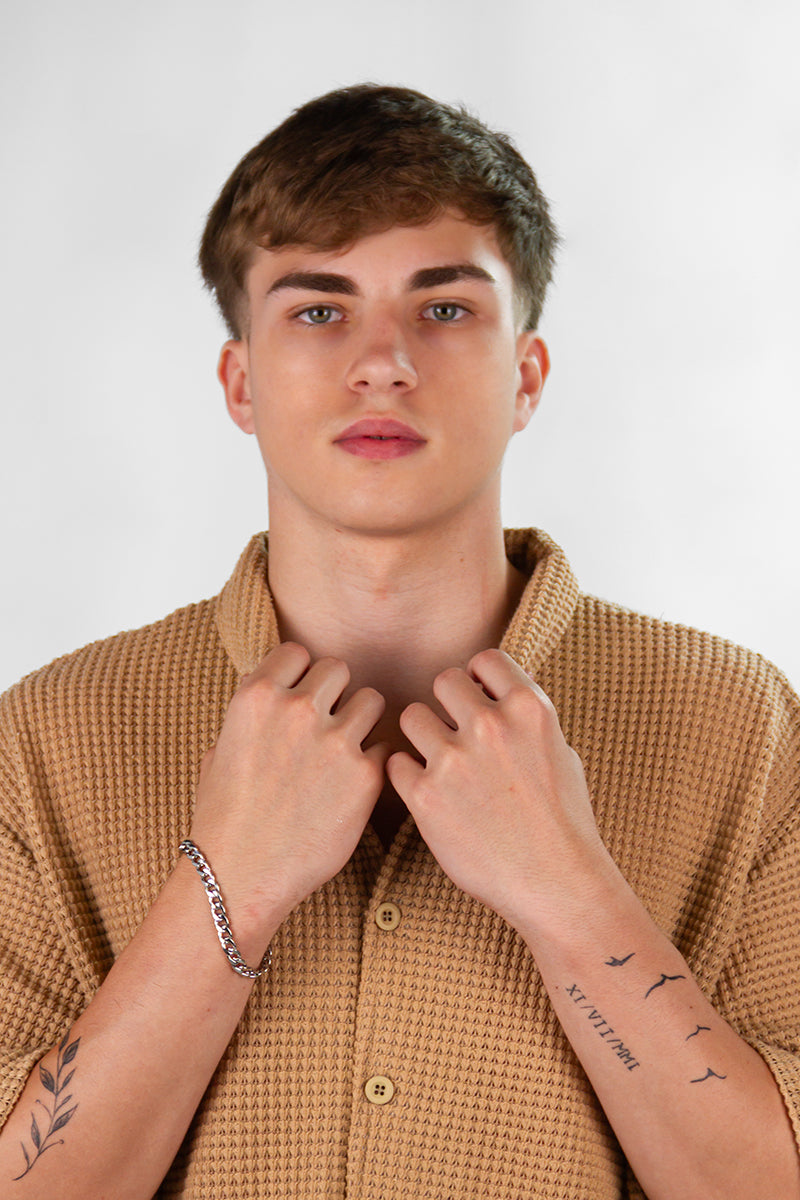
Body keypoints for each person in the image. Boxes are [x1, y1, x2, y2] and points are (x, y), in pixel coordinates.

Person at [0, 83, 798, 1200]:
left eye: (446, 309)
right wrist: (229, 881)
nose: (383, 363)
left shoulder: (742, 725)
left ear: (526, 376)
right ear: (240, 381)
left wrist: (569, 893)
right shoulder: (46, 737)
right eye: (318, 312)